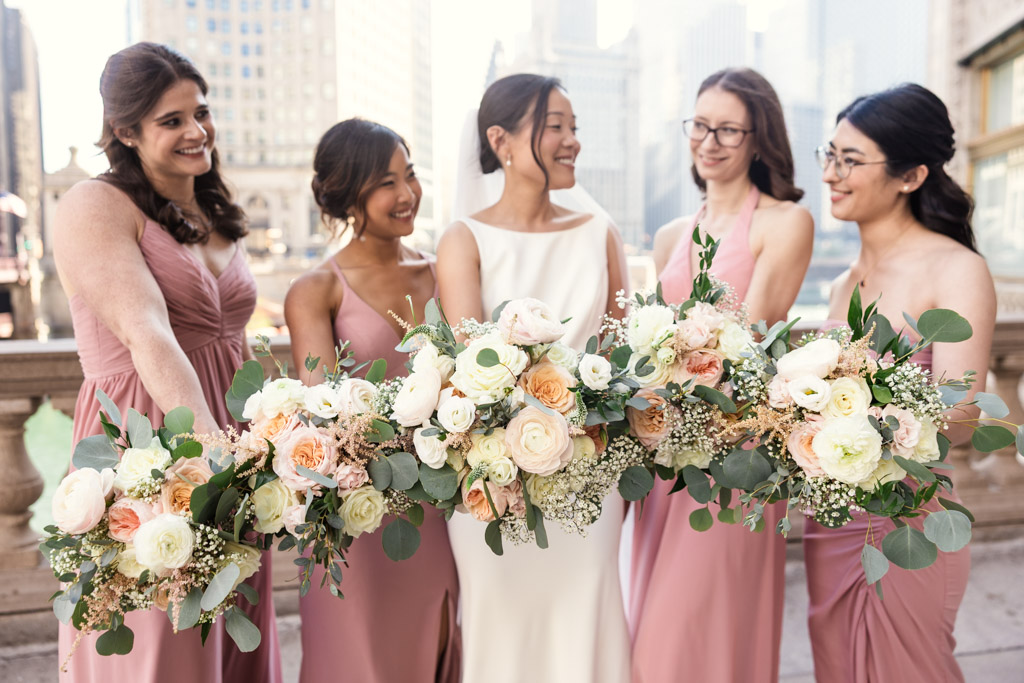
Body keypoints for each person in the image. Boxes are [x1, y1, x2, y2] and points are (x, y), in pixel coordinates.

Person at [52, 42, 280, 683]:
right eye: (171, 120)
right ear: (125, 132)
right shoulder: (93, 206)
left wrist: (273, 433)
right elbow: (146, 331)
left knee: (231, 625)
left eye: (200, 112)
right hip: (148, 439)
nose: (196, 131)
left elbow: (235, 338)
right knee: (163, 633)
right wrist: (210, 454)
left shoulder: (213, 212)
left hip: (235, 439)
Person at [436, 73, 630, 682]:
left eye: (575, 129)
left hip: (592, 478)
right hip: (493, 480)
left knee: (588, 617)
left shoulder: (601, 234)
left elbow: (625, 360)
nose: (572, 141)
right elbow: (471, 366)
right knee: (500, 627)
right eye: (555, 127)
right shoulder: (463, 239)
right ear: (502, 140)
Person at [630, 67, 814, 683]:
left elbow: (751, 343)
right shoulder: (670, 236)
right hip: (661, 458)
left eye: (728, 129)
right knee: (651, 628)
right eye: (700, 125)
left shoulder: (783, 223)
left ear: (759, 138)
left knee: (686, 634)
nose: (708, 141)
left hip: (732, 455)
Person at [805, 83, 993, 683]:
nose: (832, 174)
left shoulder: (956, 270)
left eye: (851, 161)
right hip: (832, 524)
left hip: (910, 523)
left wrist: (869, 416)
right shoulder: (840, 285)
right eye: (830, 155)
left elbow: (960, 424)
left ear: (911, 175)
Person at [283, 118, 461, 683]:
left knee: (435, 645)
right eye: (387, 182)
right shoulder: (315, 290)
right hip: (357, 514)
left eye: (410, 175)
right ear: (348, 193)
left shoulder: (444, 276)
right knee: (357, 660)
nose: (407, 194)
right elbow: (322, 413)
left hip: (438, 510)